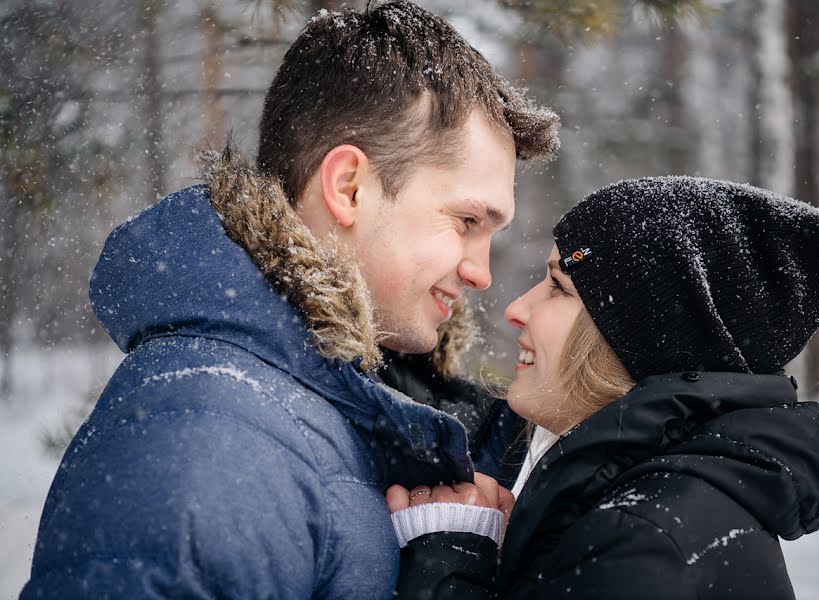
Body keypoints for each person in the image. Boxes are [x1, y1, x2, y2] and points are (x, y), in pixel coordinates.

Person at [21, 2, 558, 598]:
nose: (481, 273)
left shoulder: (346, 402)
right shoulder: (203, 444)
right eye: (465, 221)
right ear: (348, 188)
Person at [387, 176, 819, 599]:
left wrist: (448, 567)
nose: (517, 307)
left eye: (559, 286)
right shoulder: (649, 506)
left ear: (638, 342)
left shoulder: (642, 546)